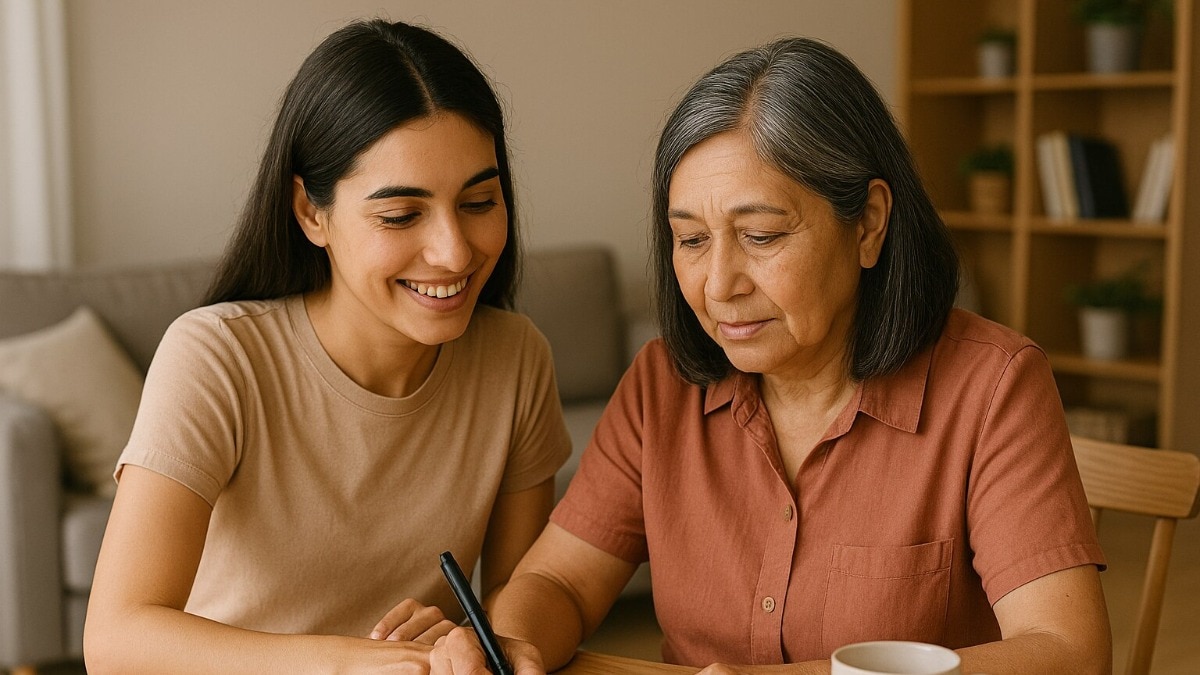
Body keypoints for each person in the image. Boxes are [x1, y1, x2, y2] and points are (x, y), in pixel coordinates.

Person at [422, 37, 1111, 674]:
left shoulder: (993, 386)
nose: (719, 285)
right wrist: (515, 641)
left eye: (760, 236)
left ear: (868, 223)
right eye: (691, 240)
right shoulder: (662, 385)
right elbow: (560, 579)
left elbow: (1068, 651)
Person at [83, 18, 571, 674]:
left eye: (479, 201)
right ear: (311, 212)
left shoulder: (515, 358)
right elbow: (115, 640)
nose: (454, 252)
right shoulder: (218, 357)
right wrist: (352, 663)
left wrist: (468, 640)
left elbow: (516, 602)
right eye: (400, 215)